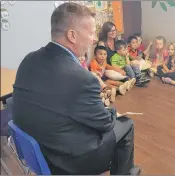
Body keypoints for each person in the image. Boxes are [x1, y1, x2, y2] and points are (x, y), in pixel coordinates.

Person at [12, 3, 140, 175]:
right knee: (126, 124)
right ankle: (126, 172)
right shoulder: (82, 78)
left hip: (34, 151)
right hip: (65, 162)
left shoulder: (29, 60)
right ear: (72, 35)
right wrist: (112, 112)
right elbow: (105, 123)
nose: (94, 39)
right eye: (91, 32)